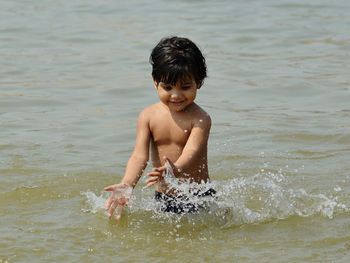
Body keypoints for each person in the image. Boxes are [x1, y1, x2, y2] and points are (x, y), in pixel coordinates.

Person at [104, 36, 215, 219]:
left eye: (185, 87)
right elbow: (139, 156)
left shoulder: (200, 119)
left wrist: (175, 169)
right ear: (155, 81)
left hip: (198, 196)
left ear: (199, 82)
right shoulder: (148, 116)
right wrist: (127, 184)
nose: (176, 95)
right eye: (168, 87)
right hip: (164, 197)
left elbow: (192, 151)